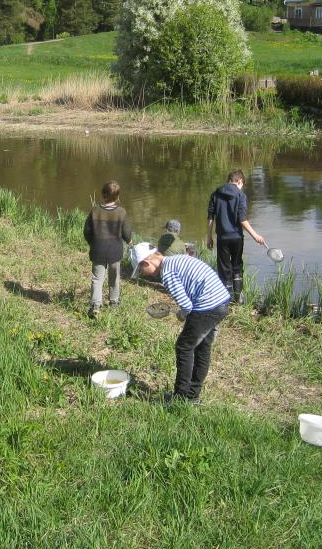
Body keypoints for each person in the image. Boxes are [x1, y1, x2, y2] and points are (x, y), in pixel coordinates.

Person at [130, 242, 231, 404]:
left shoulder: (167, 273)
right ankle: (193, 395)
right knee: (202, 347)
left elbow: (186, 307)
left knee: (184, 347)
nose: (143, 274)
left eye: (141, 270)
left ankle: (180, 396)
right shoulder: (176, 259)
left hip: (207, 306)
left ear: (146, 263)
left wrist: (181, 315)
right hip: (222, 301)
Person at [207, 169, 266, 304]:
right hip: (237, 238)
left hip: (222, 237)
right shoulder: (241, 195)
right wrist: (255, 235)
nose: (241, 187)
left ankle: (226, 299)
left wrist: (209, 237)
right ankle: (238, 299)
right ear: (239, 181)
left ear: (229, 180)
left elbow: (210, 217)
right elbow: (242, 219)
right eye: (242, 184)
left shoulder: (215, 194)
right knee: (237, 266)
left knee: (224, 268)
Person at [83, 180, 133, 319]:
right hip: (115, 252)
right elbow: (126, 233)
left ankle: (95, 306)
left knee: (97, 279)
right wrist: (129, 240)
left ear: (103, 195)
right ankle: (114, 301)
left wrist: (92, 242)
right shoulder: (121, 212)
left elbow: (87, 231)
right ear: (117, 197)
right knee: (115, 278)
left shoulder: (95, 210)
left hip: (98, 250)